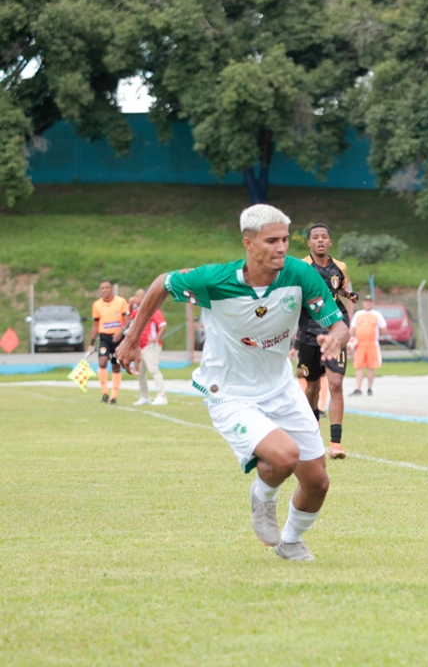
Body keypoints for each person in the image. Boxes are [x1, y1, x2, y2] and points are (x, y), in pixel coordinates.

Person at [116, 204, 349, 561]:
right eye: (271, 240)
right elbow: (162, 283)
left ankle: (290, 542)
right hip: (230, 394)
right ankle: (263, 498)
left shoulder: (300, 274)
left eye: (285, 239)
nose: (281, 247)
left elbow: (339, 322)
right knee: (283, 457)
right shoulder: (214, 280)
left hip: (281, 389)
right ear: (248, 243)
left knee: (317, 481)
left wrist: (337, 337)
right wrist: (132, 339)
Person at [295, 223, 357, 459]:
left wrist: (348, 294)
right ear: (309, 243)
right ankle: (311, 432)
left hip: (335, 331)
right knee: (312, 386)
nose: (320, 241)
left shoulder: (339, 267)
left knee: (336, 383)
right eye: (315, 238)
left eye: (324, 237)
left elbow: (339, 288)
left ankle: (336, 444)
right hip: (309, 333)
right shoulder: (301, 267)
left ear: (330, 242)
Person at [90, 280, 129, 404]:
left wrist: (121, 331)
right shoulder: (97, 305)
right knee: (102, 361)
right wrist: (91, 342)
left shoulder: (121, 302)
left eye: (107, 287)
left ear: (112, 289)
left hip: (118, 338)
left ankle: (114, 396)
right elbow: (95, 325)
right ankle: (104, 392)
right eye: (102, 288)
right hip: (104, 338)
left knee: (116, 365)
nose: (105, 290)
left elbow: (128, 320)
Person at [129, 288, 168, 406]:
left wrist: (157, 337)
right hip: (140, 346)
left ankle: (162, 395)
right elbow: (129, 319)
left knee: (153, 369)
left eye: (138, 296)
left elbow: (163, 325)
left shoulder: (152, 310)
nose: (135, 298)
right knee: (140, 372)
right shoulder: (138, 311)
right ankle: (145, 396)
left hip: (150, 345)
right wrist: (130, 304)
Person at [349, 297, 388, 397]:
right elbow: (352, 328)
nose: (368, 304)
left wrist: (382, 334)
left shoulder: (377, 315)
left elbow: (384, 329)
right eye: (366, 301)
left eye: (370, 302)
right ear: (363, 303)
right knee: (359, 367)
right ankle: (358, 388)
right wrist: (349, 340)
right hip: (360, 345)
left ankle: (370, 388)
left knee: (371, 367)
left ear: (372, 303)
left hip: (372, 345)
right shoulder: (358, 314)